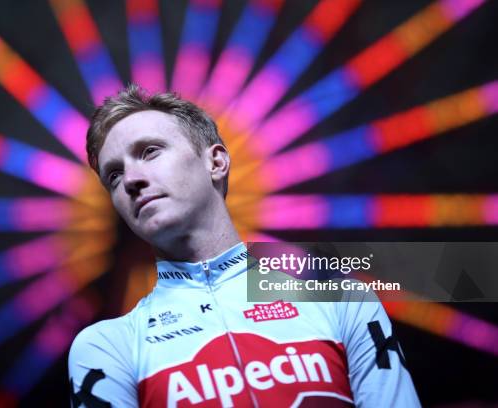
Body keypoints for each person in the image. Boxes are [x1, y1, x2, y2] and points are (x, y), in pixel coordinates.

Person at [69, 84, 420, 407]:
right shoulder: (106, 347)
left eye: (149, 151)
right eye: (113, 175)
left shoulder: (342, 302)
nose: (131, 179)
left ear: (216, 162)